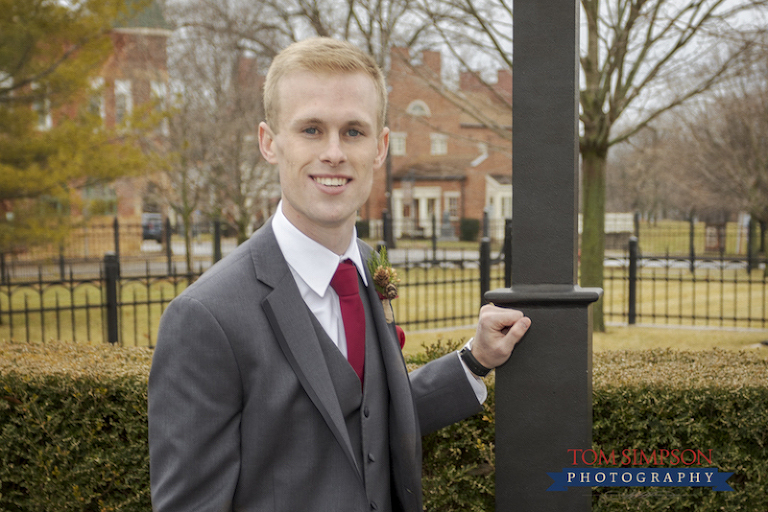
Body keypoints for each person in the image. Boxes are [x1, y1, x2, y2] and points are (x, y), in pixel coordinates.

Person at [148, 37, 531, 512]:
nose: (334, 152)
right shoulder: (205, 316)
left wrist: (474, 360)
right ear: (270, 142)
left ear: (380, 146)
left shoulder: (369, 268)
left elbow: (368, 416)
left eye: (353, 131)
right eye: (311, 129)